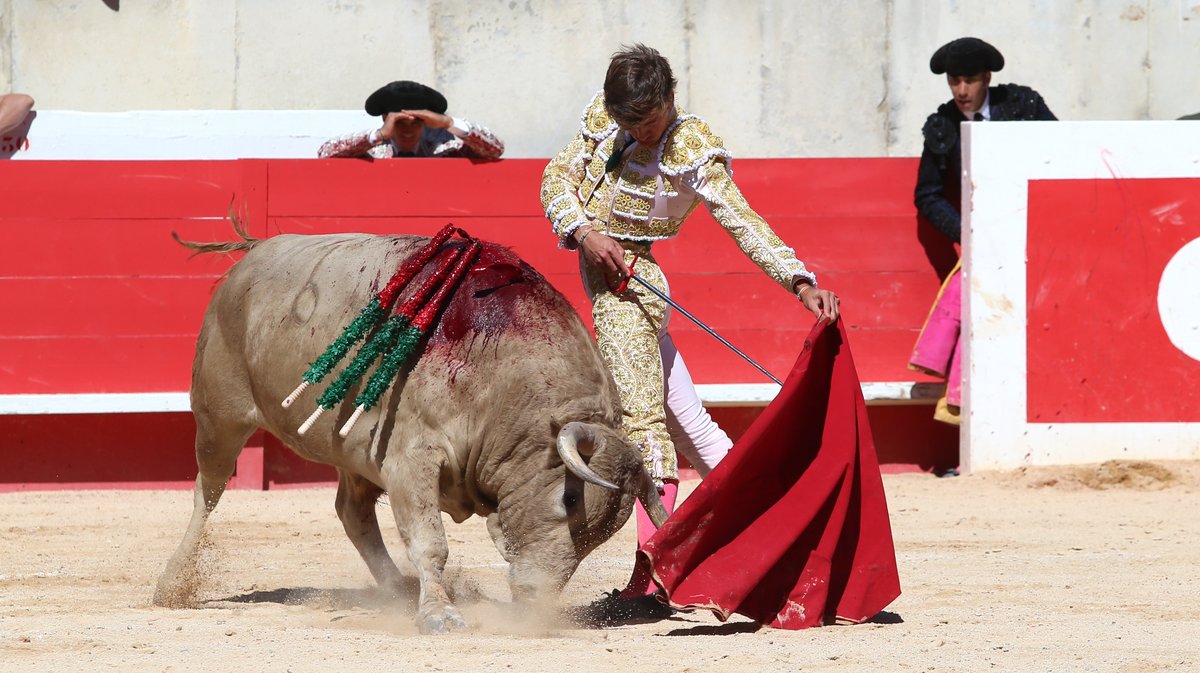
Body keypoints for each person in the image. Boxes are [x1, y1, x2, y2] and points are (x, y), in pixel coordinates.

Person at [540, 44, 839, 609]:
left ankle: (656, 573)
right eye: (631, 123)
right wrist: (585, 232)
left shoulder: (692, 147)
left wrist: (799, 281)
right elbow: (556, 177)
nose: (643, 134)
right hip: (612, 268)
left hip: (630, 285)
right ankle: (772, 523)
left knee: (644, 424)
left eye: (650, 122)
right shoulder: (605, 118)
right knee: (690, 422)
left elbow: (742, 221)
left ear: (670, 100)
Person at [910, 37, 1056, 426]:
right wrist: (968, 233)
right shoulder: (943, 124)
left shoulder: (1023, 106)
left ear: (987, 78)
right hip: (984, 243)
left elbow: (1059, 158)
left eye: (969, 80)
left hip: (1036, 238)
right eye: (954, 81)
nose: (961, 90)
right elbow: (927, 196)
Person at [318, 80, 503, 160]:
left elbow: (495, 150)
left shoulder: (443, 152)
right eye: (400, 123)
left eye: (416, 123)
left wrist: (448, 123)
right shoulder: (373, 154)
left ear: (426, 122)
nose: (408, 131)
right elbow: (325, 153)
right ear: (386, 119)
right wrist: (380, 134)